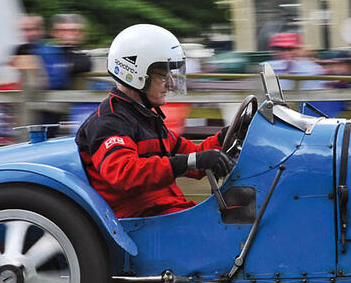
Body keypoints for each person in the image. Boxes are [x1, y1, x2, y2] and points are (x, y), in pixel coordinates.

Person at [76, 24, 234, 218]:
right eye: (163, 75)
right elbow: (124, 174)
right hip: (144, 217)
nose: (171, 83)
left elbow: (193, 155)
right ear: (137, 75)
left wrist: (227, 135)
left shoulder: (146, 117)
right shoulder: (110, 122)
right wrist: (190, 162)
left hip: (166, 210)